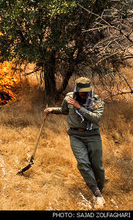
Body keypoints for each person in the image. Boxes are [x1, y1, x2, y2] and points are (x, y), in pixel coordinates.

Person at [44, 77, 106, 209]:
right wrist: (52, 110)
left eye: (86, 91)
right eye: (82, 91)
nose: (84, 94)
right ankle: (96, 193)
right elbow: (65, 110)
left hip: (93, 135)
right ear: (76, 89)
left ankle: (100, 188)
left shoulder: (96, 100)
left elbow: (96, 118)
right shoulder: (69, 98)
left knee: (97, 166)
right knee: (83, 163)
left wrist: (80, 107)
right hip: (75, 135)